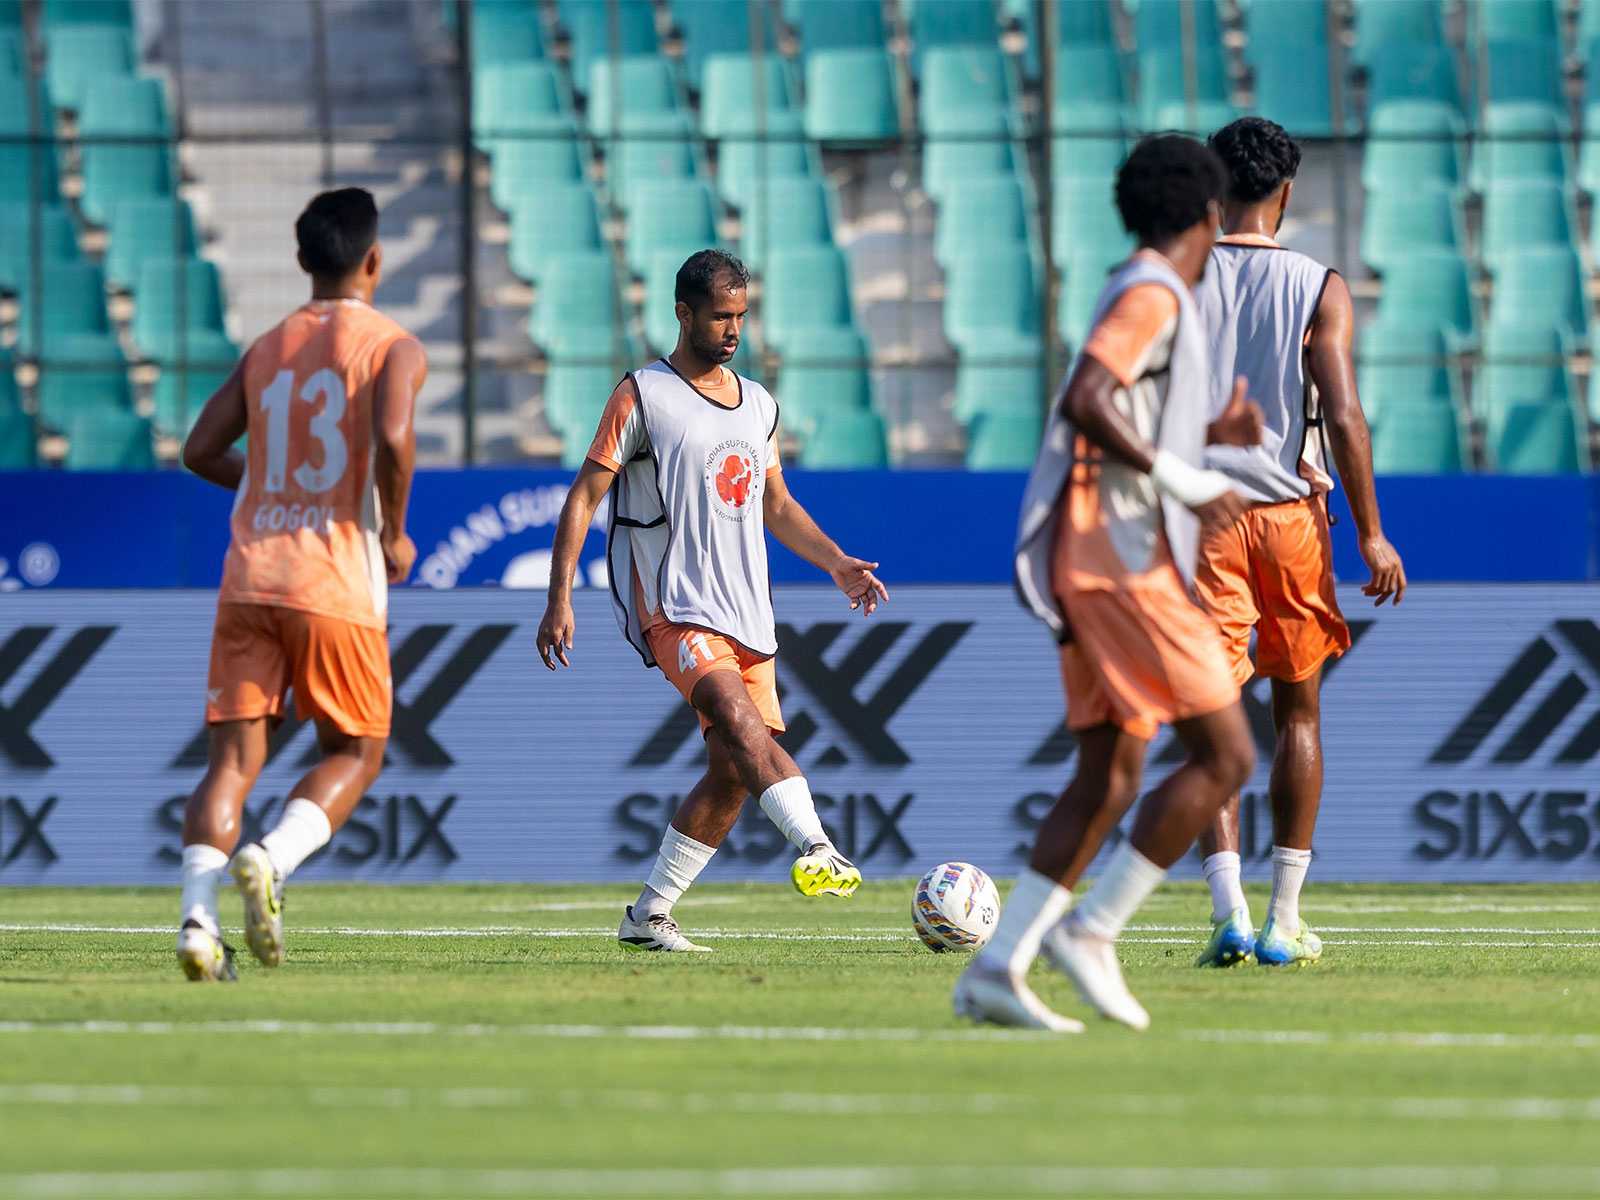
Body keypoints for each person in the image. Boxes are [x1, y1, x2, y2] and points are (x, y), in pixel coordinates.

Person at [953, 135, 1263, 1032]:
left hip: (1086, 557)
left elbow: (1120, 403)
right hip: (1122, 560)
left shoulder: (1130, 283)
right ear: (1208, 215)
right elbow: (1088, 398)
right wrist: (1187, 477)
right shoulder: (1155, 290)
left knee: (1110, 773)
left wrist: (1209, 426)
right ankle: (1093, 931)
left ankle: (998, 966)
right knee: (1228, 757)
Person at [537, 248, 888, 952]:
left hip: (748, 613)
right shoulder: (641, 394)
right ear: (684, 312)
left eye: (741, 317)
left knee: (732, 772)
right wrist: (559, 596)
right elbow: (584, 496)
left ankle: (648, 915)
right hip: (674, 605)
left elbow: (777, 504)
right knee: (731, 714)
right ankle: (817, 846)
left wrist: (834, 562)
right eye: (721, 316)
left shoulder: (758, 403)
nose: (733, 330)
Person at [175, 187, 426, 981]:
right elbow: (391, 433)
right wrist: (393, 529)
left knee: (230, 765)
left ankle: (196, 925)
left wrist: (265, 478)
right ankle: (271, 859)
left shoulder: (268, 345)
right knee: (357, 749)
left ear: (300, 261)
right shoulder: (392, 344)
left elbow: (198, 449)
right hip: (333, 577)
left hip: (250, 575)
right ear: (375, 260)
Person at [1190, 118, 1406, 970]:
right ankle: (1285, 919)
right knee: (1298, 710)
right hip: (1289, 520)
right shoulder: (1321, 285)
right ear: (1288, 191)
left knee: (1209, 714)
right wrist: (1373, 533)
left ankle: (1228, 914)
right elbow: (1343, 412)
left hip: (1202, 517)